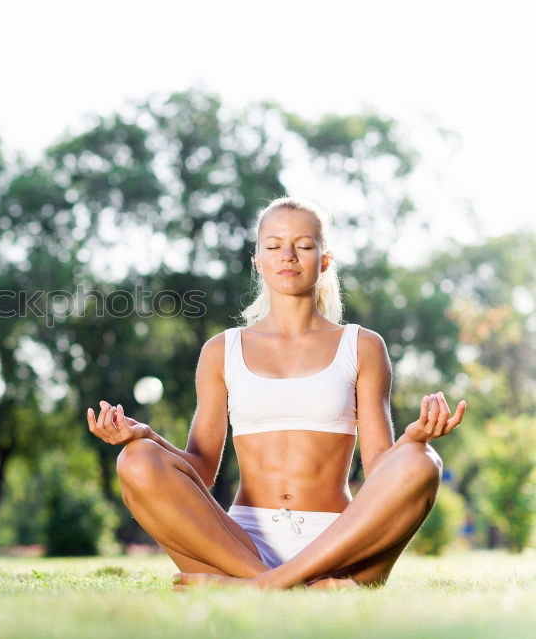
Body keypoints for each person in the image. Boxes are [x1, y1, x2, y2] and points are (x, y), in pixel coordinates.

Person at [86, 196, 466, 590]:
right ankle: (285, 584)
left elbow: (379, 470)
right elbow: (199, 469)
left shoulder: (362, 346)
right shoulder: (222, 350)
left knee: (423, 462)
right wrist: (145, 437)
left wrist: (411, 440)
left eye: (303, 245)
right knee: (137, 460)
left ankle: (261, 587)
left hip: (337, 542)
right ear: (258, 261)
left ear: (324, 260)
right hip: (239, 544)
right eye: (273, 246)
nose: (288, 255)